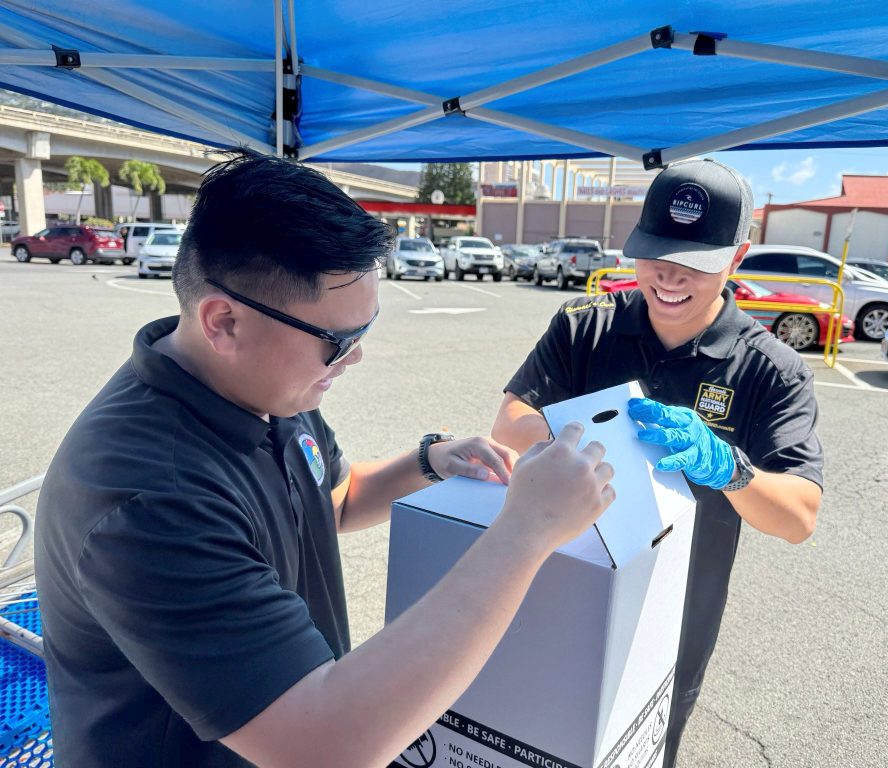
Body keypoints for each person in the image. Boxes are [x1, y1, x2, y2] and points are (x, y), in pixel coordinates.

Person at [35, 151, 615, 767]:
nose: (354, 358)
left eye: (365, 331)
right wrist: (528, 531)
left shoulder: (266, 387)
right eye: (338, 342)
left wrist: (428, 461)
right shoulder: (147, 497)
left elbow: (330, 499)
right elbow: (323, 748)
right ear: (224, 321)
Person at [491, 158, 824, 767]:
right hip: (561, 571)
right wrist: (604, 425)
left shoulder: (769, 369)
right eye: (654, 253)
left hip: (674, 608)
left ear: (737, 255)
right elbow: (510, 426)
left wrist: (730, 468)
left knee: (638, 747)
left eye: (695, 261)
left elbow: (799, 517)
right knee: (534, 727)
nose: (669, 276)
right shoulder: (585, 329)